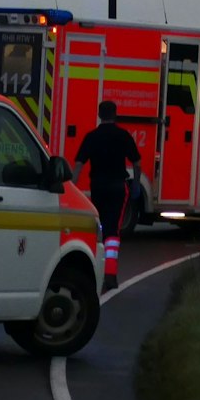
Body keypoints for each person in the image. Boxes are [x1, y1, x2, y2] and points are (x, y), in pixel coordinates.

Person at [73, 100, 142, 290]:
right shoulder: (122, 135)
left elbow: (79, 164)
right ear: (115, 114)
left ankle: (97, 273)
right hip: (118, 188)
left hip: (98, 187)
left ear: (99, 114)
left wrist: (70, 188)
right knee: (113, 232)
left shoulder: (91, 137)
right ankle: (110, 276)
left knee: (101, 229)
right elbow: (137, 162)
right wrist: (135, 185)